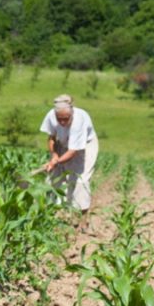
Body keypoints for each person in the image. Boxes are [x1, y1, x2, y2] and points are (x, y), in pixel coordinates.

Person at [40, 94, 98, 231]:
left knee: (79, 180)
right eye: (59, 119)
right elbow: (51, 138)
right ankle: (52, 216)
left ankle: (83, 220)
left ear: (71, 113)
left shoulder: (79, 121)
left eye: (66, 119)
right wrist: (54, 155)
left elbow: (73, 151)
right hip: (63, 143)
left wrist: (56, 161)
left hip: (83, 147)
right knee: (53, 178)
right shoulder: (51, 116)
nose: (62, 122)